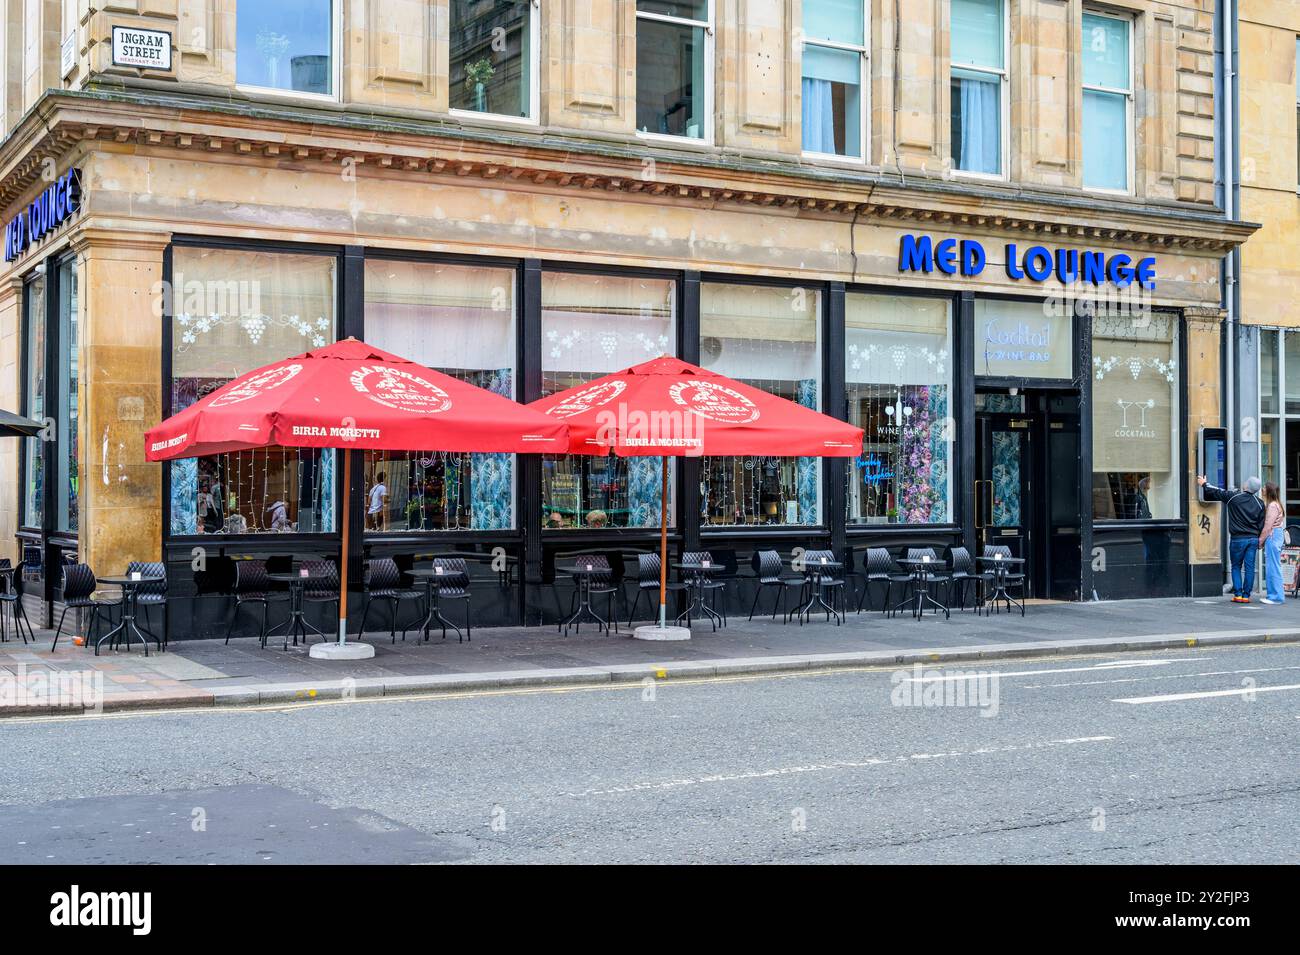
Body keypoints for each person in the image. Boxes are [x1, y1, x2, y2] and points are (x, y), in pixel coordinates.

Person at [1197, 474, 1265, 603]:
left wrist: (1204, 484)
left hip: (1238, 539)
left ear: (1246, 486)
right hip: (1253, 539)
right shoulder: (1260, 503)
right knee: (1250, 567)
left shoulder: (1234, 497)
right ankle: (1246, 596)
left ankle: (1238, 594)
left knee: (1236, 566)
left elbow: (1216, 492)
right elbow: (1261, 524)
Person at [1259, 482, 1286, 605]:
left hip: (1273, 535)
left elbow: (1268, 526)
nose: (1262, 489)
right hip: (1276, 535)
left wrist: (1260, 541)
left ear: (1269, 491)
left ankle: (1275, 597)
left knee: (1273, 566)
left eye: (1264, 487)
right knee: (1274, 566)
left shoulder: (1272, 506)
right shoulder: (1276, 504)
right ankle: (1275, 595)